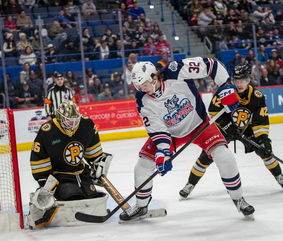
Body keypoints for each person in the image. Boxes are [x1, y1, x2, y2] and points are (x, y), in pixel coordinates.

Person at [119, 58, 255, 222]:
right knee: (142, 166)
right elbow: (157, 128)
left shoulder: (176, 70)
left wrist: (226, 87)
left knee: (224, 156)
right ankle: (141, 206)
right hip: (171, 134)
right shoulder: (143, 98)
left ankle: (239, 199)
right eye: (139, 87)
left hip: (200, 125)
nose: (142, 89)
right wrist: (163, 152)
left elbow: (211, 65)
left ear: (154, 77)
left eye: (144, 85)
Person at [179, 63, 283, 200]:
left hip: (246, 128)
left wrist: (263, 139)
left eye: (243, 80)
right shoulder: (225, 92)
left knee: (265, 150)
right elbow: (213, 111)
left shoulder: (257, 96)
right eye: (236, 80)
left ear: (249, 80)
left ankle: (279, 176)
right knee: (206, 156)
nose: (239, 83)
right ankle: (190, 184)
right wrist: (228, 128)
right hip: (224, 129)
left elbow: (260, 121)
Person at [27, 100, 113, 228]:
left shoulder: (86, 124)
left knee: (93, 196)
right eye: (69, 120)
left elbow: (93, 152)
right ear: (60, 118)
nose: (73, 124)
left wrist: (98, 166)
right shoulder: (48, 131)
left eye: (75, 120)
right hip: (61, 176)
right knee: (72, 197)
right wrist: (45, 184)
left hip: (82, 173)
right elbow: (38, 160)